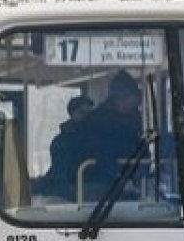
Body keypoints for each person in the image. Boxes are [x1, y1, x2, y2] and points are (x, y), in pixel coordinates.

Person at [73, 71, 144, 199]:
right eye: (131, 104)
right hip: (97, 182)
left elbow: (141, 147)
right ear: (119, 99)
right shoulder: (96, 121)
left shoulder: (133, 119)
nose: (133, 109)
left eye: (135, 106)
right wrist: (119, 176)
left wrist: (143, 169)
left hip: (128, 181)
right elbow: (98, 152)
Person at [41, 95, 94, 199]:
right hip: (70, 195)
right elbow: (60, 173)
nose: (87, 118)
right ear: (72, 114)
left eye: (91, 114)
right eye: (82, 113)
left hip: (93, 192)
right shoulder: (61, 142)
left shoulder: (98, 138)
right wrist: (73, 196)